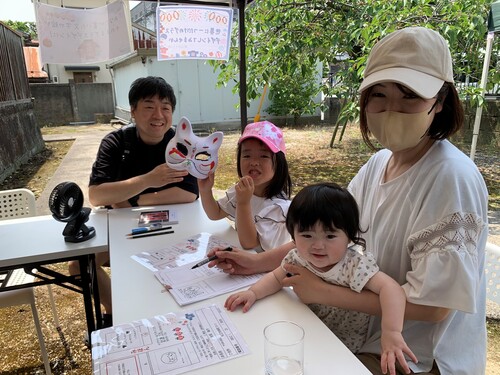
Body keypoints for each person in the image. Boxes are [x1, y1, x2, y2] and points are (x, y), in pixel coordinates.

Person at [209, 27, 489, 374]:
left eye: (410, 96)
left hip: (415, 356)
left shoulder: (450, 177)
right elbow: (325, 232)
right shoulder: (378, 163)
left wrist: (322, 293)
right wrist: (256, 264)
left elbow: (435, 309)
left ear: (441, 101)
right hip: (361, 336)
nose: (391, 110)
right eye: (379, 95)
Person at [225, 183, 418, 375]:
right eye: (307, 235)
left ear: (349, 237)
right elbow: (276, 277)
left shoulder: (354, 265)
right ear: (293, 235)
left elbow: (391, 289)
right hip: (309, 330)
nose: (318, 245)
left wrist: (391, 331)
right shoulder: (297, 257)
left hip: (345, 345)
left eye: (330, 236)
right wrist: (253, 292)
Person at [69, 76, 198, 328]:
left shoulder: (180, 145)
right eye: (149, 106)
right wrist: (150, 179)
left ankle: (169, 312)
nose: (158, 114)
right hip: (120, 227)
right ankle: (115, 313)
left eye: (166, 107)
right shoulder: (115, 143)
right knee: (78, 265)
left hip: (166, 225)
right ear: (133, 111)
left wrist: (132, 198)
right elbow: (97, 195)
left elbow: (189, 193)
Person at [198, 121, 293, 252]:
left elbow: (250, 243)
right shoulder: (242, 190)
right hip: (243, 261)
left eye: (264, 156)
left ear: (279, 163)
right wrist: (205, 190)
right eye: (247, 155)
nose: (253, 162)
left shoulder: (279, 209)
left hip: (265, 269)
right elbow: (215, 213)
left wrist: (243, 203)